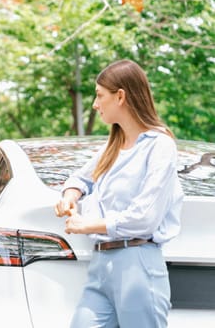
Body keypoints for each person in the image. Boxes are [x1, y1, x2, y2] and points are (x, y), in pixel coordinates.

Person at [54, 59, 184, 328]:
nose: (95, 104)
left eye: (100, 95)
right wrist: (70, 196)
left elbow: (144, 218)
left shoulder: (159, 146)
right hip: (101, 265)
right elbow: (80, 178)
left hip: (137, 264)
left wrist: (86, 225)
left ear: (121, 96)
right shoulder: (114, 146)